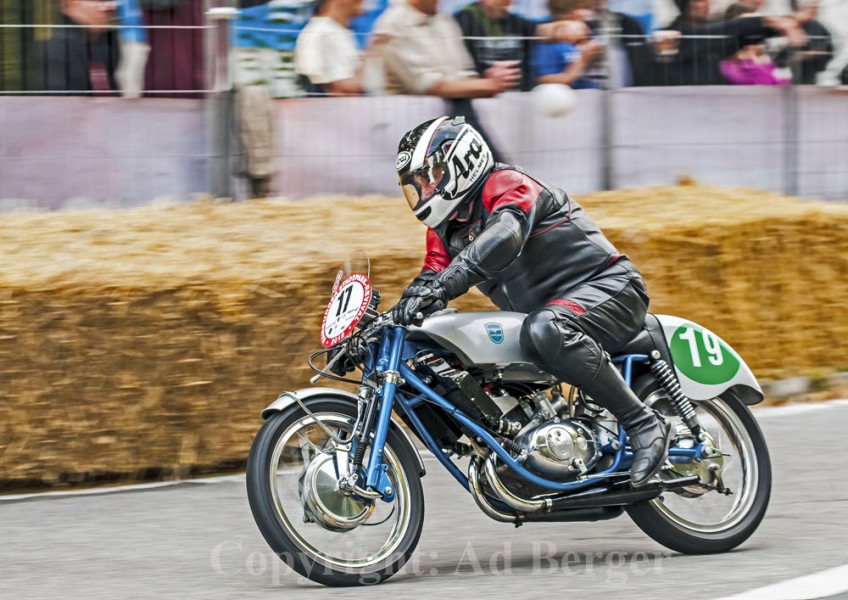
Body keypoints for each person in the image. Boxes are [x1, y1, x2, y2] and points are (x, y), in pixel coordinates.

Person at [391, 116, 670, 487]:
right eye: (417, 184)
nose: (424, 190)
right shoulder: (444, 231)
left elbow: (503, 236)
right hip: (551, 320)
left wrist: (443, 287)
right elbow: (429, 277)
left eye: (431, 176)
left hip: (611, 288)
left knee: (545, 328)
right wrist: (389, 319)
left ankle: (644, 423)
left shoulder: (506, 185)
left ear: (460, 161)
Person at [655, 0, 809, 86]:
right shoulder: (670, 36)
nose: (707, 4)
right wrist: (769, 21)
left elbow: (741, 38)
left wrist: (784, 24)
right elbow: (721, 31)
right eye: (699, 0)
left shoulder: (712, 34)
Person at [31, 0, 121, 94]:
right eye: (98, 1)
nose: (107, 8)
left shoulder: (102, 42)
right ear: (72, 3)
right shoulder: (58, 48)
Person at [294, 0, 379, 95]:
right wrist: (373, 49)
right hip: (336, 107)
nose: (368, 4)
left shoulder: (335, 30)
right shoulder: (325, 33)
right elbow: (346, 89)